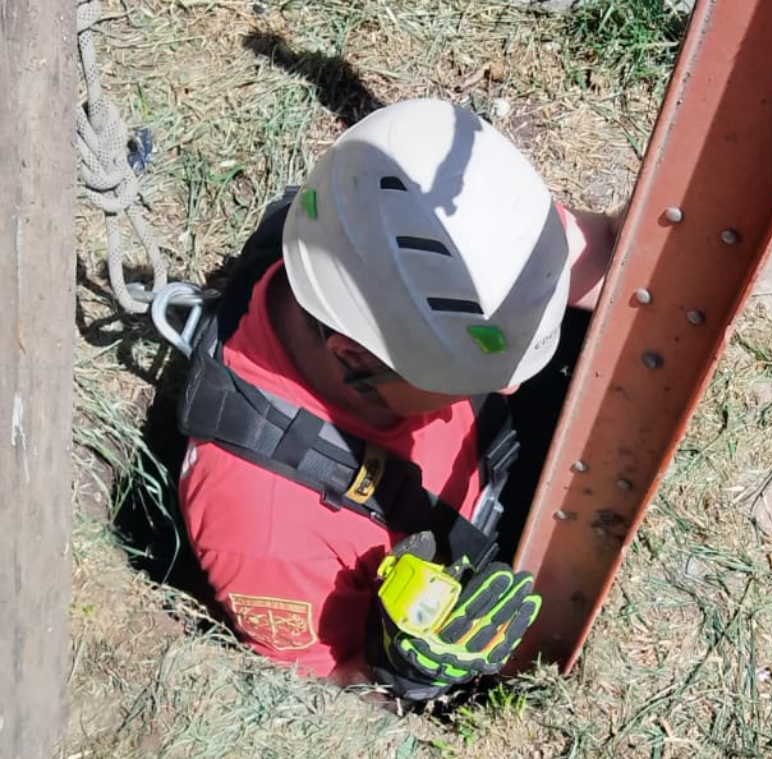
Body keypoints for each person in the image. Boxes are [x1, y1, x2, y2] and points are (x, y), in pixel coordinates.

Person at [177, 98, 620, 699]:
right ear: (355, 355)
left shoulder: (436, 228)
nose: (508, 387)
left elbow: (607, 252)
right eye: (462, 374)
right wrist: (401, 673)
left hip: (490, 479)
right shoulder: (264, 527)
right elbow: (331, 698)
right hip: (459, 547)